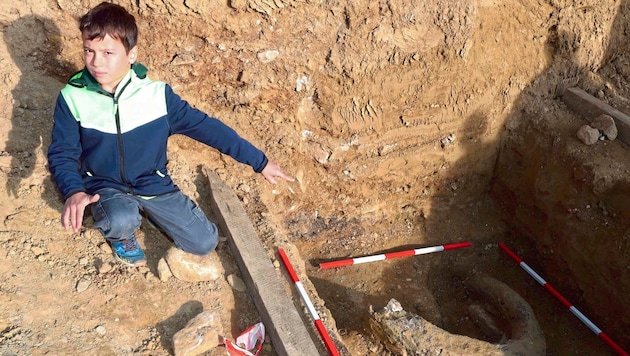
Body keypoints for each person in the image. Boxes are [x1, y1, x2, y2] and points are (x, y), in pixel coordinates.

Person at [47, 2, 294, 267]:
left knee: (203, 243)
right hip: (104, 185)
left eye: (108, 52)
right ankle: (123, 234)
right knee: (119, 220)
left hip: (153, 184)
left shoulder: (157, 97)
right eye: (89, 51)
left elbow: (209, 129)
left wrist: (260, 162)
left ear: (131, 54)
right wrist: (73, 191)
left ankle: (153, 213)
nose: (96, 62)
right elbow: (62, 152)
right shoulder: (72, 97)